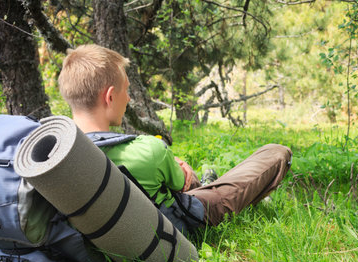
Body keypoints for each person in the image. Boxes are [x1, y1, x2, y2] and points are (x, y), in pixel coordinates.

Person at [58, 44, 292, 235]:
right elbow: (182, 184)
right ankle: (213, 183)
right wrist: (174, 163)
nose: (128, 98)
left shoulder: (56, 161)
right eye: (126, 90)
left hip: (114, 236)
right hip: (178, 223)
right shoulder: (147, 149)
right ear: (110, 96)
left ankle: (210, 180)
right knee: (276, 153)